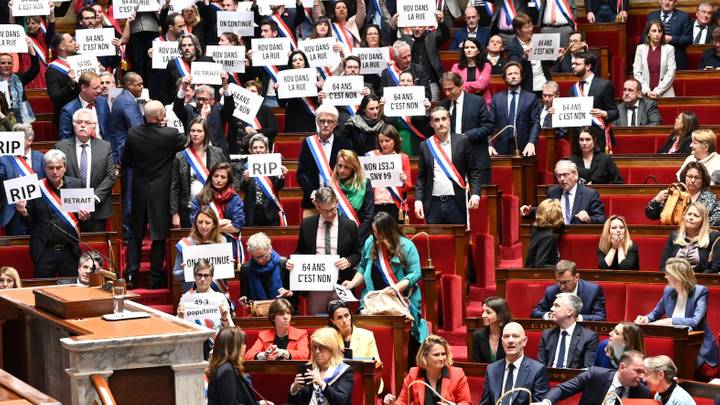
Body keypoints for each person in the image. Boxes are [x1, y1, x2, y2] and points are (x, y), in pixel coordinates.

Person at [343, 212, 429, 363]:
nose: (376, 235)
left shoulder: (406, 245)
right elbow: (363, 268)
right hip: (373, 298)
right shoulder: (371, 242)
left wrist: (396, 287)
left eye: (378, 232)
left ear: (389, 230)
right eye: (374, 232)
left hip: (400, 298)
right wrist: (352, 283)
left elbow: (416, 273)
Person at [123, 101, 186, 289]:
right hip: (161, 191)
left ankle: (131, 276)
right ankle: (154, 279)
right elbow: (186, 143)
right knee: (158, 236)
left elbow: (126, 160)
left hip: (139, 190)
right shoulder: (171, 135)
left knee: (135, 235)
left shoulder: (133, 133)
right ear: (159, 116)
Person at [635, 258, 719, 379]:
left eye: (668, 274)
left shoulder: (700, 292)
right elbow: (655, 313)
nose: (665, 276)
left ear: (677, 276)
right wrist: (646, 319)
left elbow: (695, 321)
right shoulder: (668, 291)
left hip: (696, 345)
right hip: (673, 340)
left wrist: (670, 321)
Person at [289, 187, 361, 314]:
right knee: (317, 323)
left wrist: (348, 261)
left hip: (341, 283)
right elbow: (300, 250)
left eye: (333, 209)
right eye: (326, 211)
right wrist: (293, 262)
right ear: (317, 206)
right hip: (316, 286)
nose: (330, 214)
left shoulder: (350, 225)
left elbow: (357, 254)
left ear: (337, 202)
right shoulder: (307, 225)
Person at [15, 150, 83, 278]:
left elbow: (84, 220)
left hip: (69, 250)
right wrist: (23, 213)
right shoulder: (36, 187)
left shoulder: (76, 185)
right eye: (51, 168)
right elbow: (29, 223)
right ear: (44, 168)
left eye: (59, 167)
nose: (55, 172)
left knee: (70, 291)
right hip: (44, 250)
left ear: (65, 168)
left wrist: (85, 216)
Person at [415, 107, 482, 225]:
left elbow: (473, 172)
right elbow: (421, 177)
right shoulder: (425, 146)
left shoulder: (462, 141)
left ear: (449, 120)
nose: (441, 123)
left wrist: (476, 194)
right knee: (436, 242)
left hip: (456, 203)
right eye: (436, 120)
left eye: (444, 119)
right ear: (431, 124)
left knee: (459, 242)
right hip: (433, 204)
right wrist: (418, 201)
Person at [54, 108, 116, 232]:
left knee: (95, 250)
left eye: (87, 123)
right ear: (73, 124)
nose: (83, 125)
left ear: (94, 126)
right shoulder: (61, 147)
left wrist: (93, 199)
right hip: (69, 210)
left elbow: (110, 176)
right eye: (79, 122)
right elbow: (58, 176)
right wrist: (78, 205)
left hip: (97, 209)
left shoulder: (105, 146)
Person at [296, 105, 352, 218]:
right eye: (322, 121)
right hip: (312, 203)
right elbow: (300, 174)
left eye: (330, 121)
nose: (325, 125)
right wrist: (313, 194)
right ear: (317, 121)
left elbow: (349, 173)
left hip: (337, 202)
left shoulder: (345, 144)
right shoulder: (308, 143)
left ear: (335, 123)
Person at [170, 118, 227, 229]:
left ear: (206, 133)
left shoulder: (217, 153)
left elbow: (227, 179)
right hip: (188, 208)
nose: (195, 134)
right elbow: (174, 187)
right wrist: (175, 213)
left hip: (213, 207)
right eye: (193, 130)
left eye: (199, 131)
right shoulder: (180, 156)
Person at [438, 72, 494, 185]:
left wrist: (465, 137)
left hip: (476, 160)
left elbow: (488, 127)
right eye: (444, 90)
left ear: (461, 86)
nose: (447, 93)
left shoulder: (477, 102)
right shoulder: (443, 105)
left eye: (450, 89)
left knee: (479, 199)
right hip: (452, 162)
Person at [383, 335, 471, 405]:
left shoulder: (457, 374)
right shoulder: (414, 374)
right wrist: (392, 403)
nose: (441, 358)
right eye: (436, 355)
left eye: (443, 354)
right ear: (424, 356)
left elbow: (466, 402)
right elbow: (402, 402)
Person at [537, 350, 651, 405]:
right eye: (638, 371)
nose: (642, 377)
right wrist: (546, 402)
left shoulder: (642, 392)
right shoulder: (595, 375)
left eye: (643, 372)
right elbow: (562, 389)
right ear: (622, 367)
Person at [480, 322, 549, 405]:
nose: (510, 340)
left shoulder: (537, 370)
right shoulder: (492, 369)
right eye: (506, 336)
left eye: (515, 336)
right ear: (502, 341)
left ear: (524, 341)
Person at [521, 160, 606, 225]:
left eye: (565, 175)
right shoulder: (553, 192)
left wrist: (589, 218)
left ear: (575, 175)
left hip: (577, 235)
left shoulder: (590, 194)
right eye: (559, 175)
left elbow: (601, 218)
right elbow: (545, 211)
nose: (561, 179)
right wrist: (530, 211)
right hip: (556, 236)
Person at [189, 162, 245, 260]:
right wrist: (221, 222)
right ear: (211, 177)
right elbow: (194, 221)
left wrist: (208, 226)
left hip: (228, 242)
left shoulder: (235, 198)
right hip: (204, 242)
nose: (218, 180)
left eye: (223, 177)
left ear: (228, 180)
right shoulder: (200, 198)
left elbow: (237, 226)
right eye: (216, 176)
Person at [206, 327, 273, 405]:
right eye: (242, 344)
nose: (245, 347)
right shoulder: (226, 370)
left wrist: (258, 404)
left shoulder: (226, 367)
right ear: (234, 347)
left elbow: (238, 400)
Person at [326, 300, 383, 391]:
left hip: (364, 381)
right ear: (332, 321)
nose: (344, 321)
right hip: (336, 384)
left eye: (346, 315)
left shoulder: (367, 335)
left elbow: (377, 364)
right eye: (339, 317)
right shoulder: (328, 338)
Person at [288, 327, 354, 405]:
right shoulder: (308, 369)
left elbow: (343, 401)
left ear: (332, 349)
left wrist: (322, 384)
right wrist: (294, 389)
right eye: (315, 347)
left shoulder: (344, 370)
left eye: (321, 347)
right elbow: (294, 402)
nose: (317, 351)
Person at [488, 62, 541, 156]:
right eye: (510, 74)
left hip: (525, 147)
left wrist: (531, 142)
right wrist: (489, 144)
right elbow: (489, 124)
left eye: (516, 73)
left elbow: (535, 123)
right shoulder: (497, 99)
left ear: (521, 76)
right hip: (501, 148)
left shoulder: (531, 98)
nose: (513, 76)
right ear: (505, 78)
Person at [0, 123, 44, 235]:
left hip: (38, 213)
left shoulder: (42, 158)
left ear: (29, 140)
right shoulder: (4, 160)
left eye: (18, 138)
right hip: (14, 214)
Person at [569, 52, 619, 152]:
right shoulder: (573, 89)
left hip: (598, 139)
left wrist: (603, 113)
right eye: (573, 64)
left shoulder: (604, 85)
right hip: (579, 141)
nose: (573, 67)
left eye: (577, 64)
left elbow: (614, 112)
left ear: (588, 66)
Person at [396, 11, 449, 101]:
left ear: (425, 27)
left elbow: (445, 35)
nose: (417, 29)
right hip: (411, 84)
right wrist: (394, 27)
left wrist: (441, 22)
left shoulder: (433, 37)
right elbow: (392, 40)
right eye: (414, 26)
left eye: (420, 26)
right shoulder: (406, 39)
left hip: (431, 82)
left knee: (431, 110)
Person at [538, 293, 599, 369]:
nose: (552, 309)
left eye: (556, 306)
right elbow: (540, 366)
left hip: (575, 379)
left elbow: (587, 370)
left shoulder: (589, 337)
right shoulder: (547, 334)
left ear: (569, 311)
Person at [531, 260, 607, 320]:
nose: (562, 286)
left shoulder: (593, 291)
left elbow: (600, 317)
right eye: (559, 282)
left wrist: (577, 318)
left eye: (567, 282)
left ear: (576, 277)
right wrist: (549, 315)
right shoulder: (551, 291)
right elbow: (535, 312)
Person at [648, 162, 720, 226]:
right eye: (689, 176)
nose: (692, 180)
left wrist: (694, 225)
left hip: (698, 236)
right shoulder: (674, 193)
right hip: (672, 234)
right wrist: (656, 200)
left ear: (703, 180)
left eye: (697, 177)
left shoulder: (710, 198)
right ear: (684, 177)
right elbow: (651, 214)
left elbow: (717, 219)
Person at [239, 134, 288, 227]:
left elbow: (278, 186)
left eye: (261, 147)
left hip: (270, 212)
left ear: (266, 149)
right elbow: (242, 189)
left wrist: (281, 176)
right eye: (255, 147)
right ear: (250, 150)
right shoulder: (245, 166)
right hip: (252, 212)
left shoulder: (273, 164)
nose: (258, 150)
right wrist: (246, 180)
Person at [174, 80, 232, 155]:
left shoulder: (218, 109)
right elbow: (177, 108)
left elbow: (230, 107)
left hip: (217, 155)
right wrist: (183, 88)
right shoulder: (189, 110)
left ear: (212, 100)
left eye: (204, 99)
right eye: (198, 99)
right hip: (195, 156)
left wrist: (225, 86)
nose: (201, 102)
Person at [659, 202, 720, 273]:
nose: (691, 218)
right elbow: (664, 265)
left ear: (703, 220)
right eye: (689, 214)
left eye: (696, 216)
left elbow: (716, 267)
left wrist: (698, 280)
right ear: (684, 216)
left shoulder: (713, 236)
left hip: (700, 280)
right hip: (675, 279)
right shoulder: (675, 235)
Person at [382, 70, 432, 156]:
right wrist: (383, 109)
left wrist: (427, 111)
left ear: (413, 84)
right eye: (402, 81)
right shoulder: (389, 100)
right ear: (398, 84)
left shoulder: (422, 101)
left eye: (409, 81)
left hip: (417, 142)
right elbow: (387, 124)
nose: (405, 83)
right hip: (396, 144)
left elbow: (427, 126)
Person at [329, 149, 374, 241]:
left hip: (359, 236)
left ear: (354, 168)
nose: (341, 170)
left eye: (346, 167)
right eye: (340, 166)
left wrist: (356, 237)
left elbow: (368, 217)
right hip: (335, 236)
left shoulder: (365, 184)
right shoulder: (331, 185)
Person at [244, 298, 310, 361]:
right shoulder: (264, 335)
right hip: (270, 371)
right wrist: (264, 355)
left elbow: (304, 355)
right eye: (281, 314)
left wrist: (284, 353)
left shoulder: (301, 334)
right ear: (273, 318)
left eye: (288, 313)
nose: (286, 317)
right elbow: (248, 356)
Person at [371, 125, 412, 223]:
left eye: (387, 140)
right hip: (375, 205)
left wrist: (403, 180)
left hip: (395, 205)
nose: (384, 144)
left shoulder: (403, 158)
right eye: (381, 141)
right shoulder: (372, 156)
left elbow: (408, 186)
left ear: (395, 140)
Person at [240, 232, 293, 305]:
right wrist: (244, 300)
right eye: (256, 257)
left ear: (270, 249)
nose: (260, 260)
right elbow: (245, 295)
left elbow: (296, 293)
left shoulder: (284, 264)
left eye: (263, 256)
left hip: (284, 310)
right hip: (259, 313)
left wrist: (290, 293)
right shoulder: (246, 269)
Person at [161, 34, 215, 105]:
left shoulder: (208, 61)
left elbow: (214, 86)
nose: (186, 48)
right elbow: (166, 89)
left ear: (195, 47)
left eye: (190, 45)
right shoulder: (173, 64)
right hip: (181, 105)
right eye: (184, 45)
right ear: (180, 48)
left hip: (204, 104)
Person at [277, 50, 320, 134]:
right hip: (293, 116)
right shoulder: (284, 78)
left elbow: (317, 101)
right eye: (294, 60)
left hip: (310, 116)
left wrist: (319, 89)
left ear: (305, 62)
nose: (298, 62)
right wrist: (277, 90)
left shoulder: (313, 77)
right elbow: (282, 104)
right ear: (291, 64)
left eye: (300, 59)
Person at [58, 71, 110, 140]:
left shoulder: (103, 102)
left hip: (103, 147)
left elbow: (111, 130)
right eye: (95, 88)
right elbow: (65, 139)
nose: (99, 91)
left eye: (99, 87)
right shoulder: (68, 110)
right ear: (83, 88)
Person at [231, 80, 278, 155]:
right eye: (247, 91)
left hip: (261, 150)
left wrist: (257, 132)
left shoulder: (265, 109)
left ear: (259, 94)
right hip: (240, 150)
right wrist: (244, 128)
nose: (249, 93)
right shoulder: (236, 110)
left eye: (253, 91)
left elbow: (273, 130)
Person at [508, 14, 551, 93]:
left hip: (545, 84)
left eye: (531, 26)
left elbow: (548, 63)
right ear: (518, 30)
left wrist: (556, 56)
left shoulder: (538, 40)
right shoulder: (512, 46)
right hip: (527, 87)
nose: (530, 29)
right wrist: (525, 57)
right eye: (526, 27)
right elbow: (515, 67)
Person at [107, 72, 144, 164]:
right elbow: (137, 129)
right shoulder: (128, 102)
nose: (142, 87)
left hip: (123, 150)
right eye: (139, 84)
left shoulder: (123, 97)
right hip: (129, 153)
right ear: (129, 85)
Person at [633, 20, 677, 99]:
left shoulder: (669, 49)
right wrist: (646, 90)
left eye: (660, 31)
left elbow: (671, 72)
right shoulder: (640, 48)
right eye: (654, 31)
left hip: (665, 93)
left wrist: (657, 91)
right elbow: (637, 72)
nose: (657, 34)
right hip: (645, 93)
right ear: (648, 33)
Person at [646, 0, 692, 70]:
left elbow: (688, 39)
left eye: (670, 0)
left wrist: (671, 39)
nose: (667, 3)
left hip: (676, 60)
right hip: (655, 59)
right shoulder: (651, 16)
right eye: (664, 0)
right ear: (660, 1)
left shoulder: (684, 17)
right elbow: (644, 37)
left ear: (675, 2)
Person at [0, 43, 39, 124]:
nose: (6, 65)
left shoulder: (19, 78)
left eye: (9, 63)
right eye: (3, 63)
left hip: (19, 118)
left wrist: (31, 50)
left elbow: (35, 69)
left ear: (13, 65)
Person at [46, 33, 79, 125]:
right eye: (71, 41)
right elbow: (56, 98)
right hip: (67, 118)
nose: (75, 43)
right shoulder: (53, 70)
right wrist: (70, 83)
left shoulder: (82, 60)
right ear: (62, 46)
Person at [451, 38, 493, 105]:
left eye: (472, 47)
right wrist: (475, 88)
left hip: (482, 102)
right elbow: (454, 86)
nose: (469, 50)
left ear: (478, 51)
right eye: (466, 47)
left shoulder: (486, 66)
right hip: (462, 102)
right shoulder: (456, 67)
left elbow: (482, 85)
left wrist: (463, 85)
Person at [471, 296, 512, 363]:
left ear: (500, 315)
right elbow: (477, 364)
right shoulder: (477, 335)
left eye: (488, 312)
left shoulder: (511, 335)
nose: (483, 315)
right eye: (483, 311)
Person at [525, 199, 563, 269]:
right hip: (542, 276)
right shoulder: (548, 236)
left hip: (530, 272)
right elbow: (540, 265)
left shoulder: (536, 229)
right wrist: (562, 267)